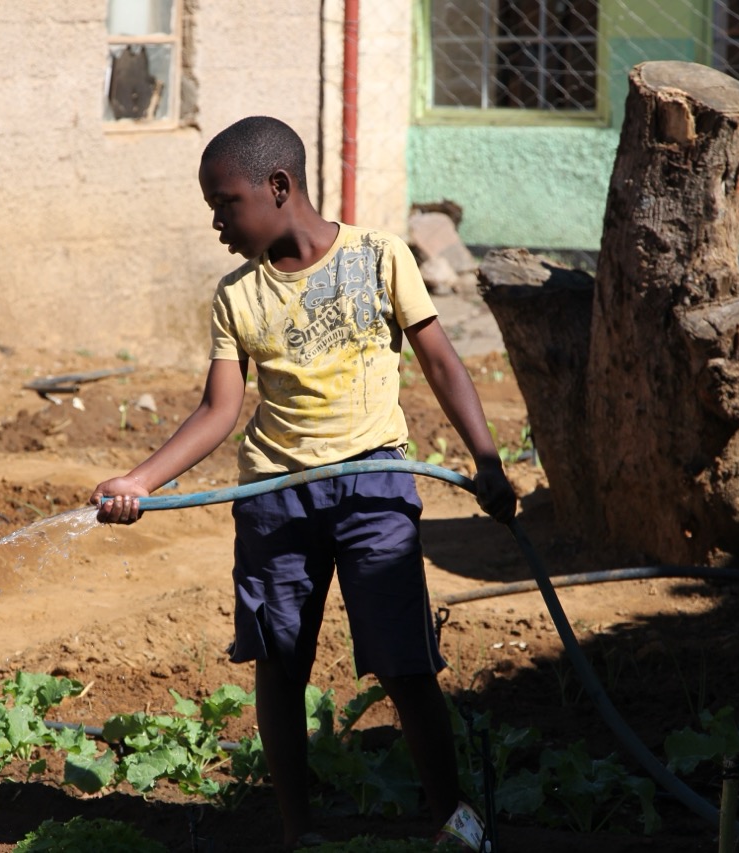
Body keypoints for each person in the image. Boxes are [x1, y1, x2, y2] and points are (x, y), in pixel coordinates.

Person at [91, 115, 517, 849]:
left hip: (375, 487)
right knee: (281, 662)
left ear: (279, 187)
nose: (217, 222)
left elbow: (442, 362)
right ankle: (299, 832)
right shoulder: (237, 296)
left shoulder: (381, 257)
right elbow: (219, 409)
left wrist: (487, 461)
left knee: (403, 661)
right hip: (275, 500)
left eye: (225, 203)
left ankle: (455, 821)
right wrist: (141, 479)